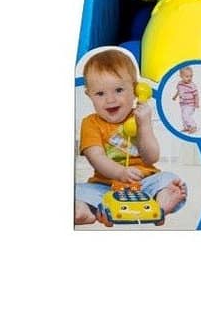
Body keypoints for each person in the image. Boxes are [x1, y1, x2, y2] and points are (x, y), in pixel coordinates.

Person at [75, 49, 186, 226]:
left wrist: (144, 125)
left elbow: (151, 158)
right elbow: (96, 157)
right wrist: (120, 172)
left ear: (135, 90)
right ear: (89, 95)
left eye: (119, 90)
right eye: (100, 94)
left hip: (144, 183)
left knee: (169, 179)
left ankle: (160, 205)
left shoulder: (139, 117)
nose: (110, 100)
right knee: (76, 190)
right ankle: (86, 211)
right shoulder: (90, 123)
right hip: (106, 186)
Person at [172, 65, 200, 133]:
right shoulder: (180, 84)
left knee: (186, 115)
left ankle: (193, 126)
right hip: (182, 104)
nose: (189, 78)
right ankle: (187, 127)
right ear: (181, 76)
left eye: (191, 76)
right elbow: (179, 90)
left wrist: (197, 103)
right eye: (187, 76)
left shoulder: (192, 86)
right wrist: (175, 96)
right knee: (183, 116)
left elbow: (196, 95)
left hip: (190, 104)